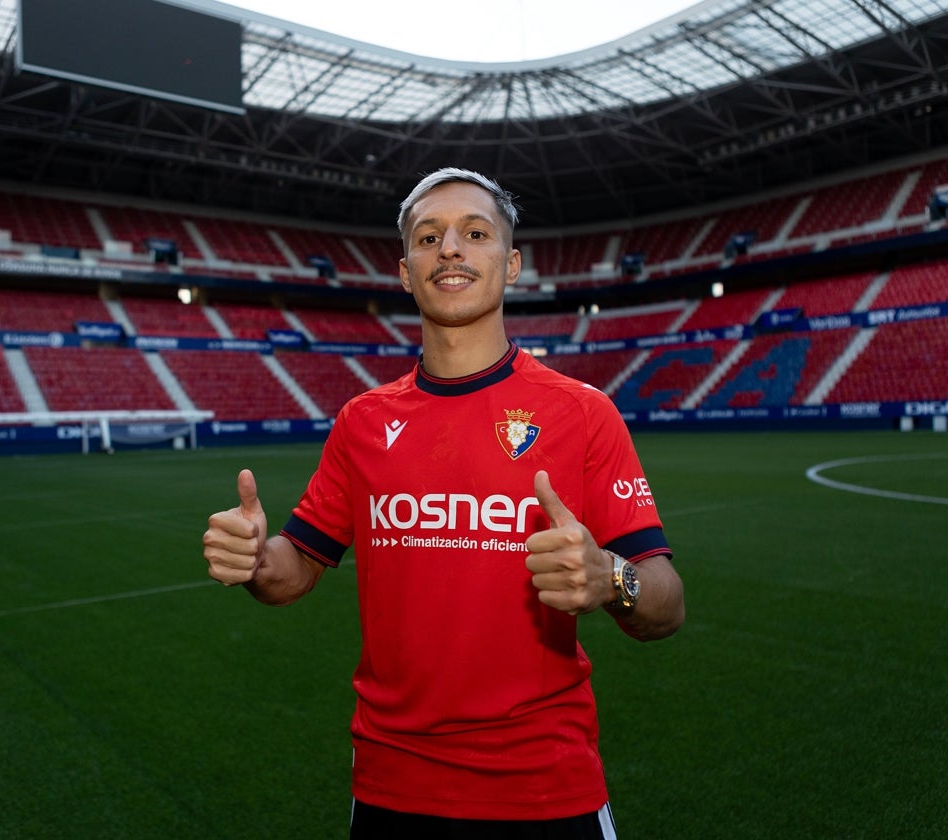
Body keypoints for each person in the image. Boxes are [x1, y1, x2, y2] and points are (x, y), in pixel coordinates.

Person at [202, 167, 685, 839]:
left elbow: (666, 602)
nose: (451, 248)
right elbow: (296, 568)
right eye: (428, 237)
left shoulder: (584, 414)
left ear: (510, 264)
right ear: (406, 272)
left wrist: (613, 577)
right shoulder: (362, 422)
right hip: (392, 785)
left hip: (545, 789)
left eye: (475, 233)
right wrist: (256, 559)